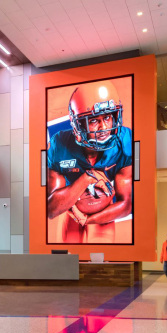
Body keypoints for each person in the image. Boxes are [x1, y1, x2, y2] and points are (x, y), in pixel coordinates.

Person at [46, 80, 133, 243]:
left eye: (107, 117)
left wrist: (87, 220)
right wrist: (88, 177)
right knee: (67, 259)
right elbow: (52, 209)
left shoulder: (125, 141)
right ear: (77, 124)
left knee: (101, 259)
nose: (103, 128)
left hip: (103, 215)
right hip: (72, 211)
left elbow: (126, 204)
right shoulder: (60, 144)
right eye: (93, 120)